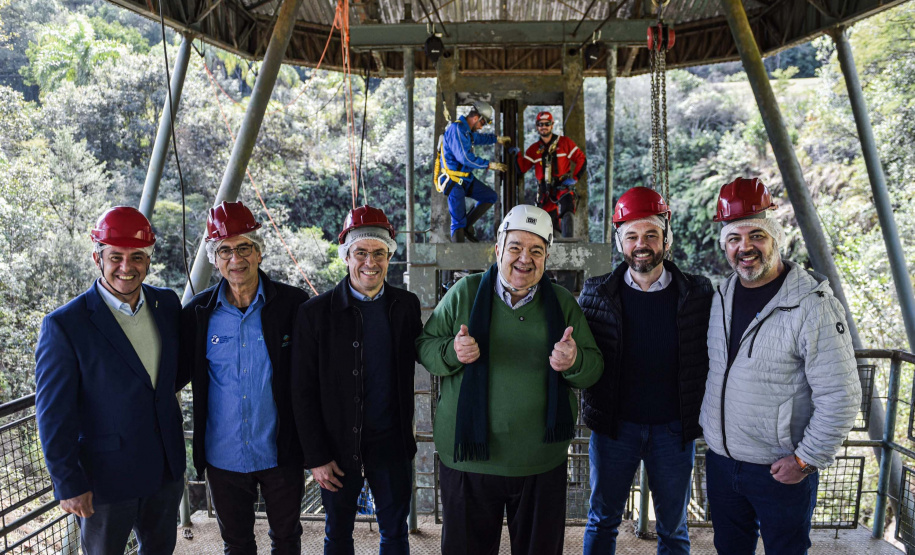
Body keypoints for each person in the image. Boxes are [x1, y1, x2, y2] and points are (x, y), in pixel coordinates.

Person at [416, 204, 603, 555]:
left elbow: (594, 368)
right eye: (515, 246)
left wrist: (574, 359)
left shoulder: (562, 303)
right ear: (498, 248)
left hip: (540, 460)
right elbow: (426, 347)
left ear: (547, 256)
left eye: (536, 250)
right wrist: (453, 353)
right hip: (469, 457)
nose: (524, 258)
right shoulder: (465, 293)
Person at [700, 177, 862, 554]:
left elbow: (841, 395)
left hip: (780, 471)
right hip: (723, 464)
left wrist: (805, 460)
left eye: (756, 236)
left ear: (775, 239)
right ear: (725, 245)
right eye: (735, 239)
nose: (746, 248)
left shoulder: (812, 305)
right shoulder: (722, 295)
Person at [35, 206, 185, 554]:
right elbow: (53, 414)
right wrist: (68, 482)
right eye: (115, 256)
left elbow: (169, 377)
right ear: (97, 257)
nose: (126, 267)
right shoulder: (65, 326)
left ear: (149, 259)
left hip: (165, 469)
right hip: (104, 480)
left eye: (137, 257)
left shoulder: (167, 305)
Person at [578, 187, 713, 554]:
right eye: (632, 236)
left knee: (673, 527)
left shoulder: (698, 293)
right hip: (614, 429)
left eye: (651, 235)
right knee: (602, 519)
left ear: (665, 239)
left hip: (673, 430)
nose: (642, 244)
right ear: (620, 241)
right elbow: (579, 355)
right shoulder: (595, 294)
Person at [180, 200, 310, 555]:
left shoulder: (294, 305)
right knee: (236, 545)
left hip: (280, 451)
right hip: (223, 455)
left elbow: (314, 377)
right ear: (214, 257)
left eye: (244, 248)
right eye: (225, 250)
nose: (235, 259)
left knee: (286, 540)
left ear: (259, 252)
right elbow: (169, 375)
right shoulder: (198, 314)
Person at [291, 205, 423, 555]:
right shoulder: (315, 313)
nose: (370, 262)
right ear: (346, 257)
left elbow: (428, 351)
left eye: (379, 253)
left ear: (389, 256)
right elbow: (301, 390)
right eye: (360, 253)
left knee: (395, 533)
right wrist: (316, 456)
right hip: (335, 448)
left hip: (390, 443)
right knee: (337, 534)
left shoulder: (406, 305)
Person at [436, 100, 510, 243]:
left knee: (490, 196)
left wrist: (497, 139)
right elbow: (465, 158)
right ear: (476, 118)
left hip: (466, 179)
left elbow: (478, 138)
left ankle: (467, 226)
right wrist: (489, 165)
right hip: (454, 182)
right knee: (458, 222)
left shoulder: (466, 131)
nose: (481, 127)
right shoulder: (457, 129)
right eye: (483, 123)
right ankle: (458, 259)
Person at [511, 111, 586, 237]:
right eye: (540, 124)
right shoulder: (534, 149)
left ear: (552, 125)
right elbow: (522, 168)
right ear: (536, 126)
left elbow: (581, 159)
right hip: (545, 191)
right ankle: (551, 247)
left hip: (563, 186)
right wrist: (517, 154)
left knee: (568, 212)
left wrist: (575, 178)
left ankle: (569, 244)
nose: (544, 127)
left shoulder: (564, 143)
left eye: (547, 124)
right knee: (547, 221)